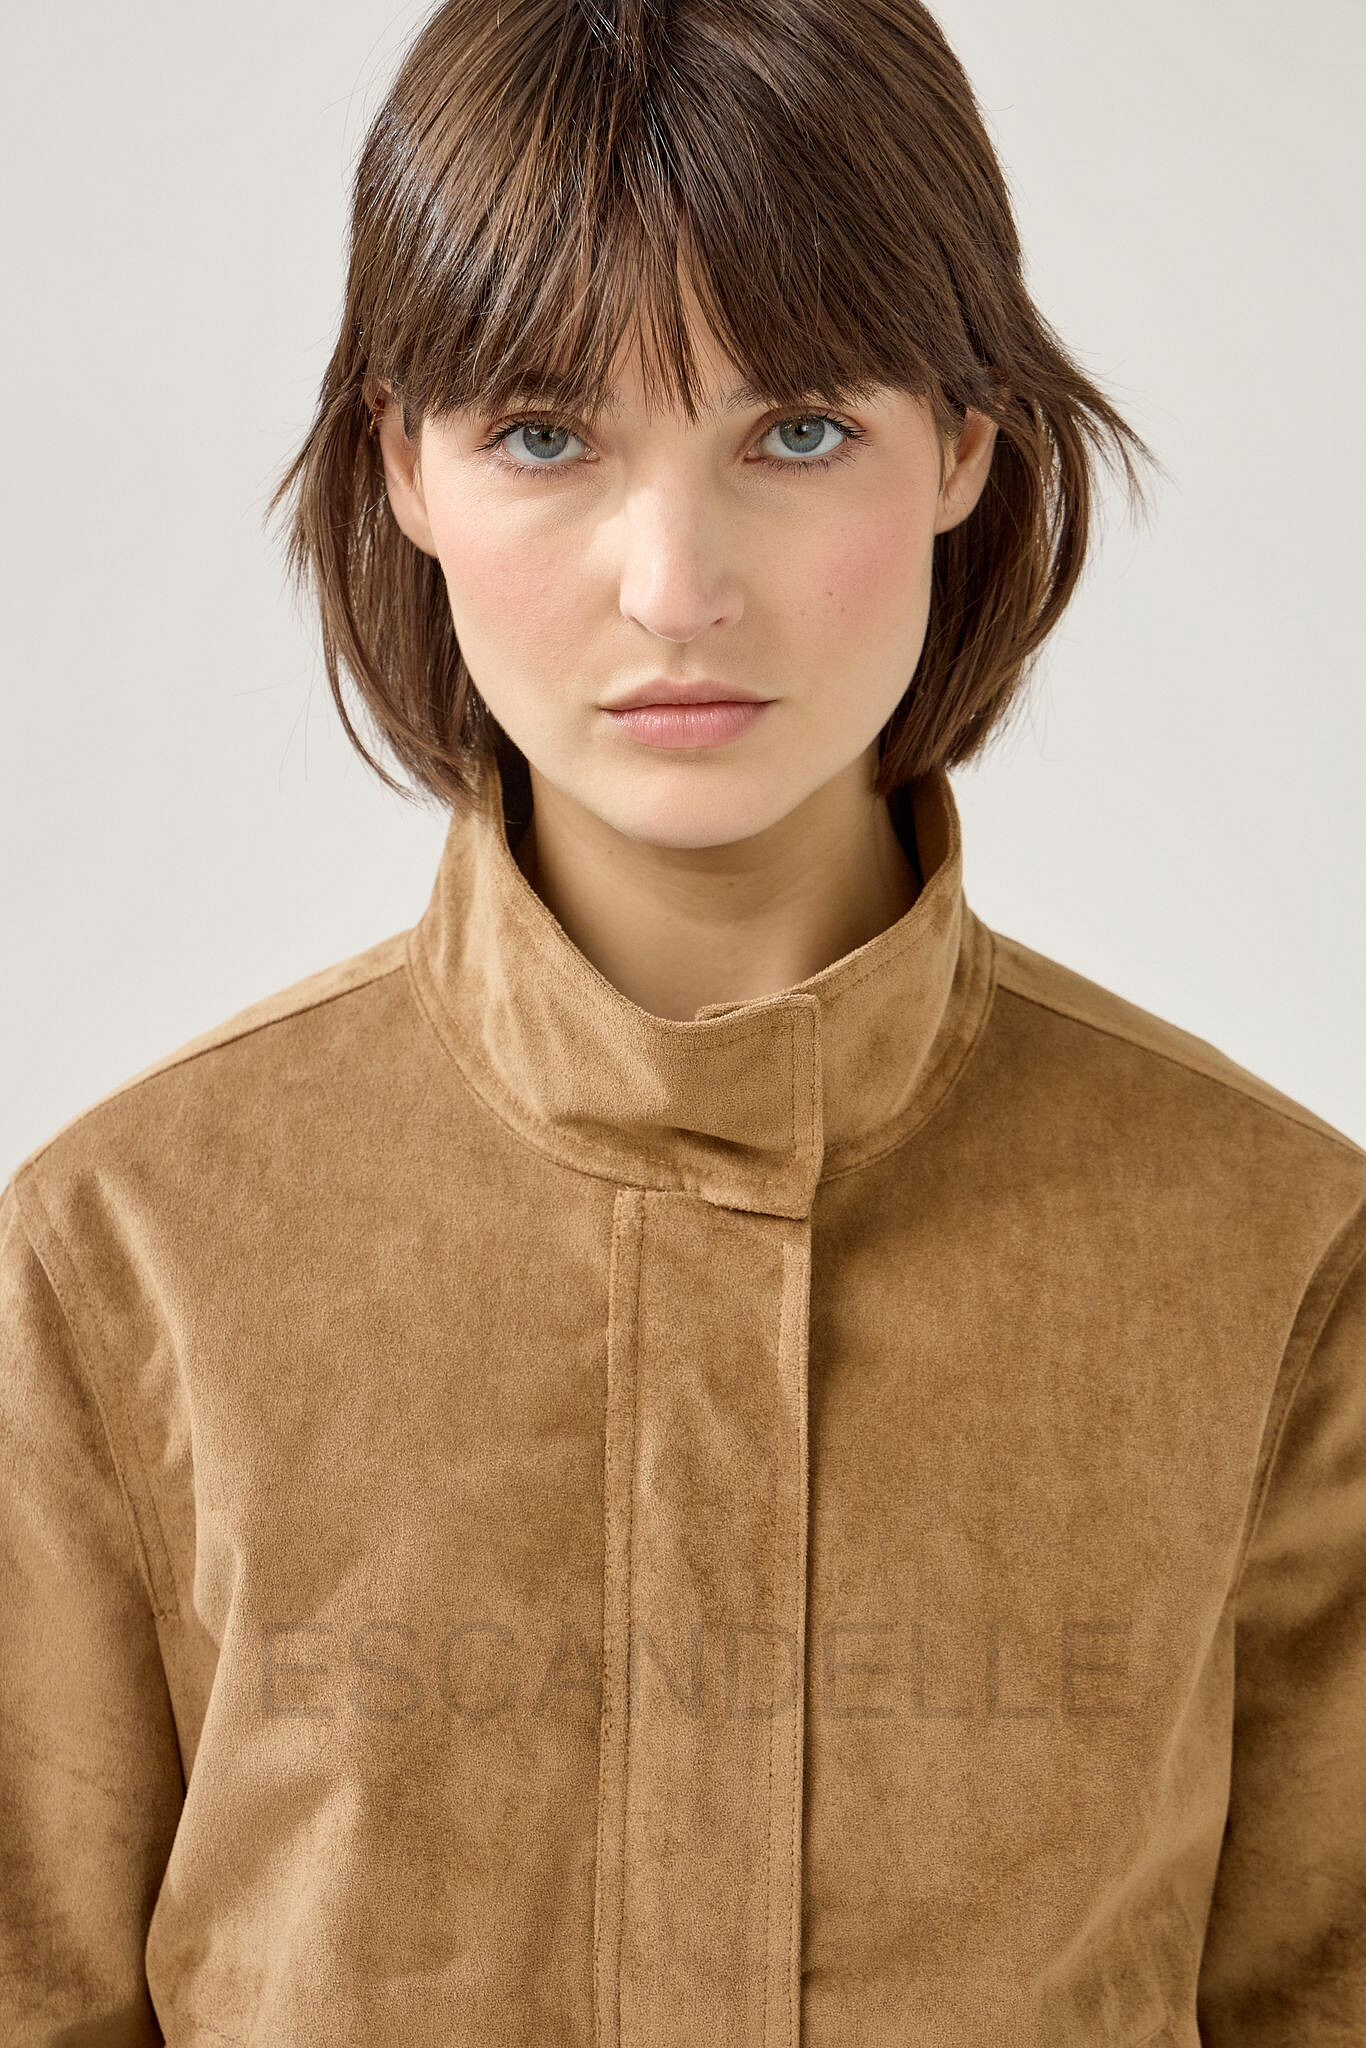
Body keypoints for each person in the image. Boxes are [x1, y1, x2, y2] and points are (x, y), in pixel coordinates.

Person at [3, 1, 1363, 2043]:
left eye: (794, 430)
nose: (673, 584)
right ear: (402, 463)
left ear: (963, 445)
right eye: (545, 435)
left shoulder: (1272, 1255)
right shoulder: (126, 1255)